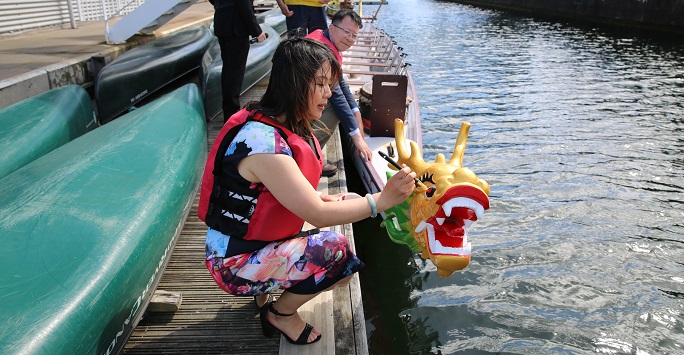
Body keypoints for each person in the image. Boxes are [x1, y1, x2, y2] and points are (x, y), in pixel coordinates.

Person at [197, 38, 416, 345]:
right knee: (336, 254)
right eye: (322, 84)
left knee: (349, 203)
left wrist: (337, 199)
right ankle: (280, 314)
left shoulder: (281, 121)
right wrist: (382, 199)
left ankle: (264, 290)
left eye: (331, 85)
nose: (329, 93)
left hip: (247, 242)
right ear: (295, 83)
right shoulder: (263, 144)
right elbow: (317, 214)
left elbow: (276, 198)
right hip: (232, 262)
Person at [306, 9, 372, 176]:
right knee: (334, 107)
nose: (350, 38)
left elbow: (340, 82)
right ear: (333, 27)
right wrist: (356, 136)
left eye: (354, 35)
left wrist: (356, 112)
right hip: (291, 107)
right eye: (346, 32)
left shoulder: (325, 40)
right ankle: (307, 158)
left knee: (343, 107)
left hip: (300, 101)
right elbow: (336, 95)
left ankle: (309, 153)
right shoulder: (321, 52)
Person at [210, 0, 267, 122]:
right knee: (235, 73)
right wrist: (257, 31)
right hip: (236, 26)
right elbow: (243, 3)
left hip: (222, 23)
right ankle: (232, 113)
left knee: (228, 71)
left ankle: (229, 111)